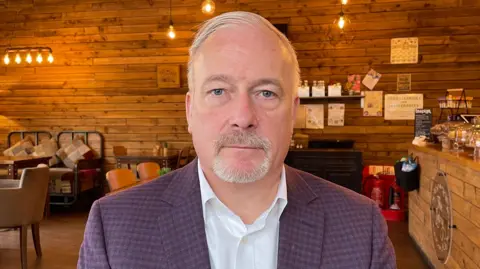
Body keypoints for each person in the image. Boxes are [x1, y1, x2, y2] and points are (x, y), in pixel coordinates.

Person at [78, 11, 396, 269]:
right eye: (219, 91)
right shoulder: (115, 227)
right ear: (190, 110)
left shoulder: (360, 227)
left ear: (293, 113)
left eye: (266, 92)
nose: (243, 116)